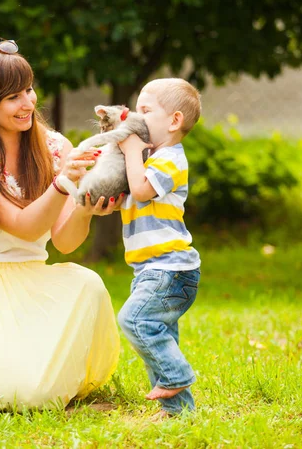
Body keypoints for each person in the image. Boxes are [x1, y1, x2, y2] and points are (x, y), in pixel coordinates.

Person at [0, 39, 121, 410]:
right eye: (13, 97)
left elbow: (63, 243)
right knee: (20, 394)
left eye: (29, 90)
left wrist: (84, 208)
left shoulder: (55, 147)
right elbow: (24, 226)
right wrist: (63, 182)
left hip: (30, 278)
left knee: (88, 283)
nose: (28, 103)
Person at [117, 78, 202, 417]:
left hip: (170, 269)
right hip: (151, 268)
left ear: (174, 121)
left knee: (134, 320)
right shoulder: (151, 160)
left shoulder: (170, 160)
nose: (136, 119)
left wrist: (130, 151)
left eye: (145, 111)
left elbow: (139, 190)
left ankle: (177, 375)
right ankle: (178, 412)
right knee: (161, 333)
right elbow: (129, 197)